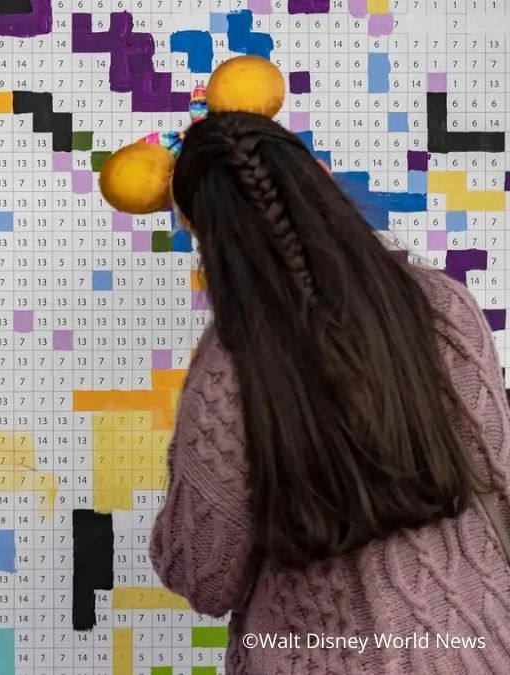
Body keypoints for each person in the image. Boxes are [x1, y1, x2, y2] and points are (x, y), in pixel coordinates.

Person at [150, 111, 510, 673]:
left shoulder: (228, 369)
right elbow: (500, 475)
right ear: (320, 176)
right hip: (471, 647)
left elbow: (204, 577)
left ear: (201, 232)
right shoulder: (443, 308)